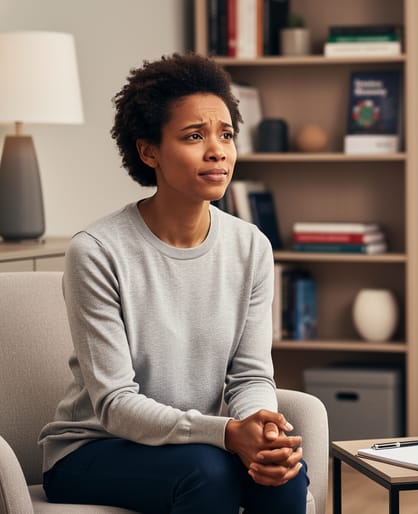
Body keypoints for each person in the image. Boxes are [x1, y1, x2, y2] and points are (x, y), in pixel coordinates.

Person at [38, 53, 308, 514]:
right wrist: (225, 433)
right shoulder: (98, 251)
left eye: (225, 134)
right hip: (93, 449)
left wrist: (261, 429)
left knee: (281, 475)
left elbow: (251, 375)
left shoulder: (251, 247)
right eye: (194, 136)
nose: (217, 150)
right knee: (210, 472)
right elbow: (116, 404)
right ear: (149, 151)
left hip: (195, 445)